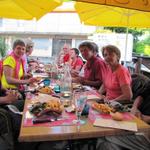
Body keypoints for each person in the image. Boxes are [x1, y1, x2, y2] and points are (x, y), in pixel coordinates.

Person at [96, 81, 150, 150]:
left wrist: (146, 118)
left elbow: (128, 95)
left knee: (106, 135)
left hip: (146, 131)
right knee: (107, 144)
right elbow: (141, 95)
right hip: (137, 121)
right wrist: (134, 108)